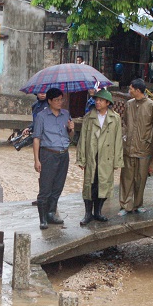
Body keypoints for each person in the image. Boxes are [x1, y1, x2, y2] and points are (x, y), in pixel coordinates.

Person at [76, 89, 123, 225]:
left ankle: (98, 212)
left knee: (103, 185)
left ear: (107, 103)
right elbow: (83, 139)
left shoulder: (115, 118)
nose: (97, 102)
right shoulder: (89, 117)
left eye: (101, 100)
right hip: (92, 156)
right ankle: (87, 214)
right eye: (96, 100)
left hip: (106, 157)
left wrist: (117, 160)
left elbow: (118, 140)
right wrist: (81, 158)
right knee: (89, 185)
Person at [32, 88, 74, 229]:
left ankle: (51, 213)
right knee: (45, 187)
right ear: (49, 101)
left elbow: (70, 138)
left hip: (64, 154)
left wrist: (71, 129)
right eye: (56, 100)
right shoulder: (41, 116)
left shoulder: (66, 114)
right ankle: (42, 218)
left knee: (58, 186)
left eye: (61, 99)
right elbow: (37, 138)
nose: (59, 102)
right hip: (48, 154)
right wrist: (37, 160)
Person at [118, 78, 153, 216]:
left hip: (144, 147)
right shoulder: (129, 104)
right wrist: (125, 138)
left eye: (130, 89)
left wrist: (151, 141)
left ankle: (138, 204)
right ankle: (125, 205)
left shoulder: (152, 106)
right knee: (126, 178)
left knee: (141, 179)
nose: (129, 91)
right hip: (129, 147)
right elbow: (125, 123)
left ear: (138, 90)